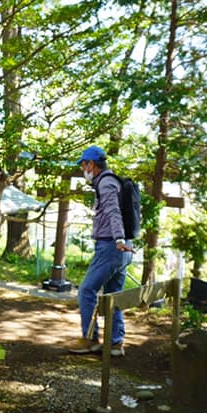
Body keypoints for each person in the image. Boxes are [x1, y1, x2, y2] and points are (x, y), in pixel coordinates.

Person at [68, 145, 133, 358]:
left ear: (91, 165)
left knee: (87, 290)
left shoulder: (105, 183)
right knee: (113, 296)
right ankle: (115, 343)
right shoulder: (111, 181)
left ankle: (90, 339)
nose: (82, 170)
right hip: (122, 248)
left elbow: (114, 211)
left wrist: (118, 239)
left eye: (83, 165)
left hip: (112, 246)